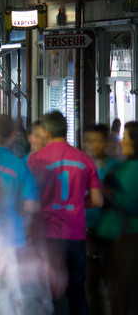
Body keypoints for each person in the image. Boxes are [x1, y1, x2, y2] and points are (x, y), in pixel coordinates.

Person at [27, 111, 103, 314]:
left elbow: (27, 200)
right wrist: (76, 202)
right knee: (77, 292)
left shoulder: (35, 160)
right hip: (75, 234)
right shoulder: (85, 159)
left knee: (47, 294)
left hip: (45, 235)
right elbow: (97, 200)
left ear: (45, 131)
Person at [0, 115, 42, 312]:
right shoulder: (18, 165)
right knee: (4, 298)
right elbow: (32, 205)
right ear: (10, 138)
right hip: (10, 240)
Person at [96, 121, 138, 315]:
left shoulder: (132, 168)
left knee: (125, 290)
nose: (122, 140)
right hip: (121, 234)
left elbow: (129, 203)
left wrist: (108, 192)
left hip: (129, 235)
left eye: (126, 136)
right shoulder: (125, 165)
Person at [82, 123, 120, 315]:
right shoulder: (82, 166)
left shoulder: (116, 169)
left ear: (105, 142)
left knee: (113, 286)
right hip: (87, 233)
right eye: (88, 141)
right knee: (90, 286)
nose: (91, 145)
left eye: (96, 140)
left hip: (110, 234)